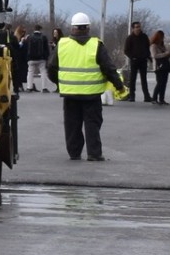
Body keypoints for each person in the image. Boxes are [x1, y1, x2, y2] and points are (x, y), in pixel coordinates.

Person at [48, 12, 125, 161]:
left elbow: (51, 67)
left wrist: (60, 83)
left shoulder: (62, 44)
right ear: (88, 28)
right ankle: (94, 153)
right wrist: (119, 86)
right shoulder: (96, 45)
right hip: (92, 95)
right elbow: (108, 68)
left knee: (72, 124)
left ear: (72, 28)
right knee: (92, 123)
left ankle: (74, 153)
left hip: (70, 94)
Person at [122, 20, 151, 102]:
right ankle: (132, 96)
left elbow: (147, 47)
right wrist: (132, 57)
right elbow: (126, 50)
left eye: (139, 27)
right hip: (134, 61)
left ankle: (146, 96)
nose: (138, 29)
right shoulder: (130, 38)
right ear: (133, 28)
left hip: (143, 60)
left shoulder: (144, 37)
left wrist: (147, 56)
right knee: (132, 79)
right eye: (136, 27)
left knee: (144, 79)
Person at [24, 24, 52, 93]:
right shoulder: (43, 37)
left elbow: (26, 48)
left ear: (34, 29)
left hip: (31, 58)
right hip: (41, 58)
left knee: (30, 72)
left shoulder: (29, 37)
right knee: (43, 72)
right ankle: (44, 88)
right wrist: (46, 57)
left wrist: (27, 57)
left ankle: (29, 87)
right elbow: (46, 49)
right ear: (40, 29)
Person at [150, 29, 170, 105]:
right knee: (160, 83)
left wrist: (169, 54)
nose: (162, 38)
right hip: (158, 67)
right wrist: (165, 54)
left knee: (164, 83)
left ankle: (161, 99)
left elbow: (165, 56)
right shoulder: (153, 46)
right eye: (161, 37)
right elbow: (154, 55)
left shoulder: (162, 46)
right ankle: (154, 98)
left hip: (165, 67)